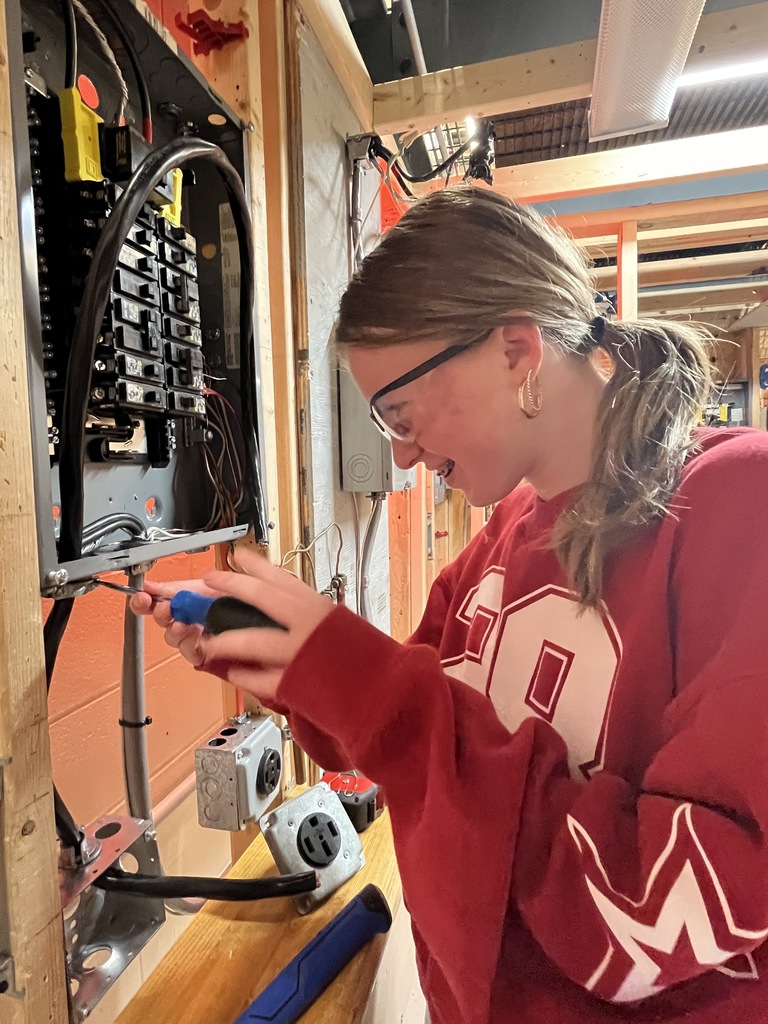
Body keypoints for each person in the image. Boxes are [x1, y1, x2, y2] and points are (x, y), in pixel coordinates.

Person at [132, 187, 768, 1023]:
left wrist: (362, 682)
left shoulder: (737, 503)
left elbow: (681, 901)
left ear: (515, 350)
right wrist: (281, 662)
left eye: (399, 410)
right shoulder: (502, 534)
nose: (398, 452)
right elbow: (407, 734)